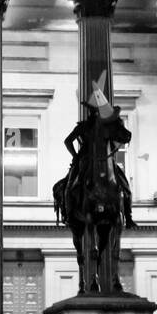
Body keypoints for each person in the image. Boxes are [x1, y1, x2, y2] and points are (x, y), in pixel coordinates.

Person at [63, 91, 137, 230]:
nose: (97, 113)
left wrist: (124, 135)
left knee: (124, 185)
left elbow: (121, 135)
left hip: (105, 160)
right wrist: (75, 155)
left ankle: (128, 216)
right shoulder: (83, 126)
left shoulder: (108, 127)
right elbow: (68, 141)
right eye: (95, 110)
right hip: (84, 159)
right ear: (91, 111)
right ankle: (69, 214)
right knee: (70, 185)